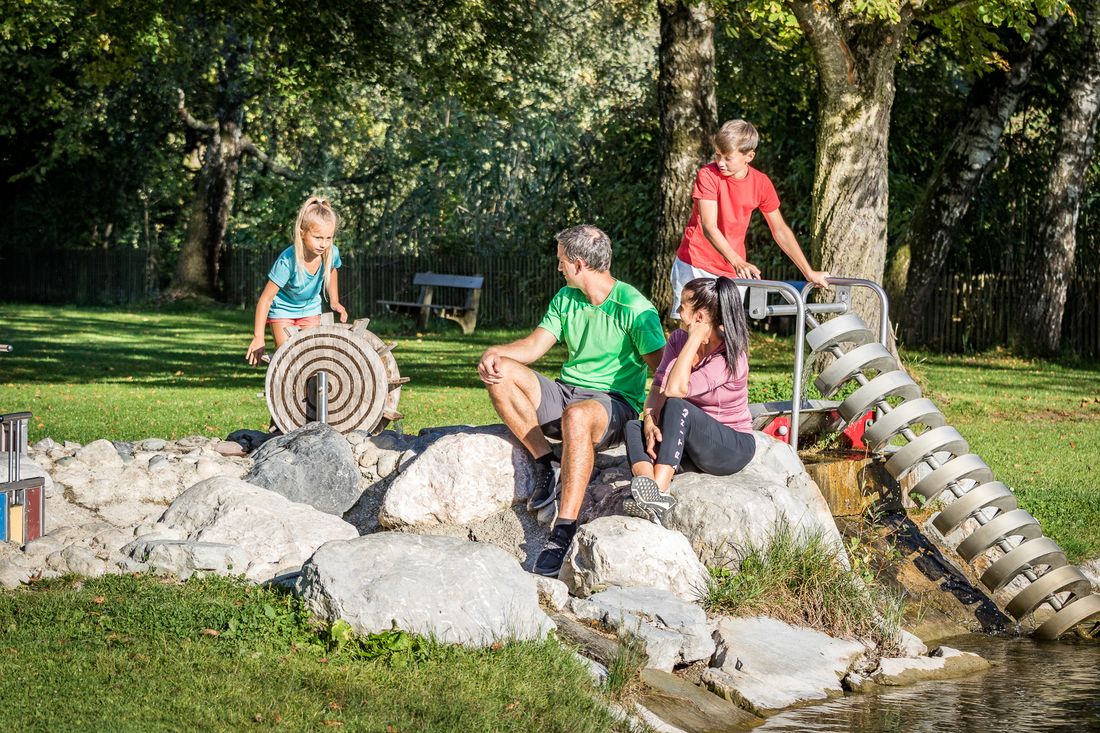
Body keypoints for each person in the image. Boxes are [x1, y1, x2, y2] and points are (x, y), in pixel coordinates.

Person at [478, 225, 666, 576]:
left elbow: (665, 373)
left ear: (579, 264)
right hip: (567, 393)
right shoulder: (566, 298)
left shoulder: (635, 308)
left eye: (562, 261)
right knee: (500, 371)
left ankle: (562, 530)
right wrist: (497, 352)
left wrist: (655, 421)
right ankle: (545, 461)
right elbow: (535, 347)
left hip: (612, 404)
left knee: (578, 416)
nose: (559, 267)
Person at [622, 276, 756, 526]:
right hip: (690, 441)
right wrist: (650, 421)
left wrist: (695, 339)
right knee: (633, 426)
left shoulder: (731, 357)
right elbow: (659, 385)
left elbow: (675, 389)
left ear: (700, 317)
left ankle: (658, 495)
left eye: (683, 306)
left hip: (730, 446)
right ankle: (647, 490)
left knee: (676, 404)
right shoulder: (677, 339)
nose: (678, 311)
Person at [670, 118, 830, 316]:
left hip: (732, 270)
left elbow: (780, 230)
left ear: (749, 156)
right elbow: (709, 226)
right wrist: (737, 262)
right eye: (717, 155)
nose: (720, 162)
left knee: (727, 333)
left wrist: (808, 272)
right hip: (696, 262)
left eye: (728, 158)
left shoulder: (761, 183)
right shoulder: (708, 175)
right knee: (691, 331)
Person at [246, 196, 347, 365]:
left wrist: (335, 301)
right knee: (288, 358)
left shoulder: (331, 253)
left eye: (328, 238)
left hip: (310, 309)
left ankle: (311, 392)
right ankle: (285, 389)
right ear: (302, 233)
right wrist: (258, 337)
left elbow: (332, 269)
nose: (323, 244)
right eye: (318, 237)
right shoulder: (288, 261)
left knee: (313, 357)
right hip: (283, 311)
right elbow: (265, 299)